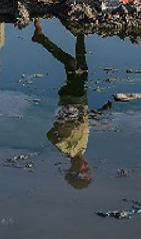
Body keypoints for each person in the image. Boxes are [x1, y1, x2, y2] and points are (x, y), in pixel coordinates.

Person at [33, 19, 92, 190]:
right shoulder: (83, 148)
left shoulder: (67, 149)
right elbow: (85, 121)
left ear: (74, 169)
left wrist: (68, 129)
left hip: (69, 101)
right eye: (88, 168)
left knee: (76, 68)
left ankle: (79, 31)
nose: (86, 165)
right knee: (76, 65)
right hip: (81, 101)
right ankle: (75, 32)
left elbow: (52, 135)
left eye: (84, 168)